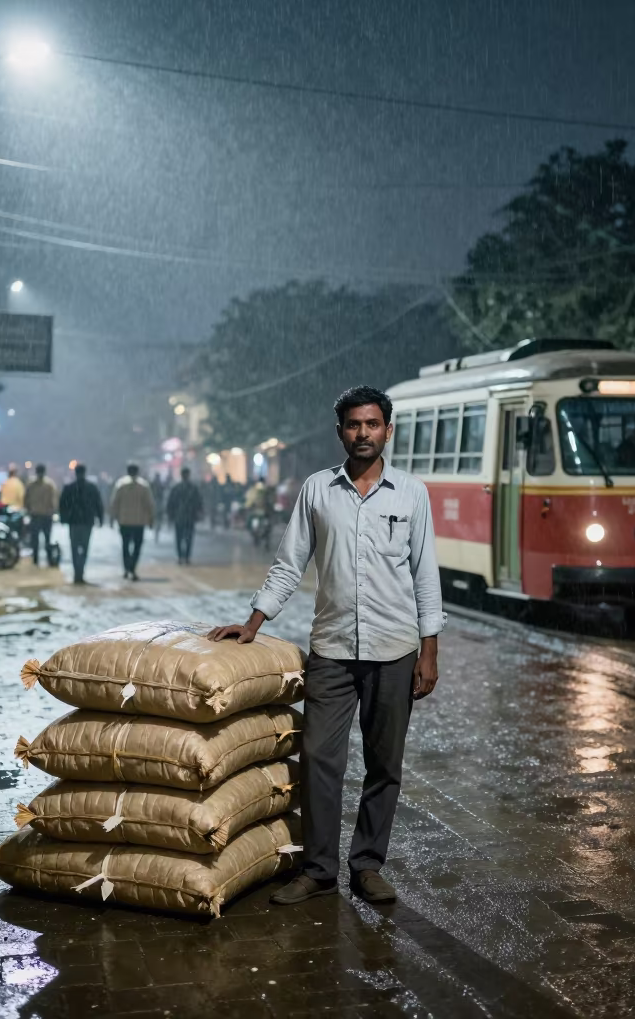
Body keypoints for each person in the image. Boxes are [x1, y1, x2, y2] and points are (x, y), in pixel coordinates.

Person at [208, 385, 445, 907]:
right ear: (339, 431)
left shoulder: (411, 494)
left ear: (388, 429)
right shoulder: (318, 490)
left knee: (385, 765)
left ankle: (367, 865)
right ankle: (317, 869)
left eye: (373, 424)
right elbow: (289, 563)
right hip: (333, 650)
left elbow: (424, 572)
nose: (363, 433)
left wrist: (429, 648)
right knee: (318, 759)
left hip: (395, 649)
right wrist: (253, 622)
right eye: (354, 425)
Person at [59, 464, 104, 584]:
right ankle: (81, 570)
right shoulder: (92, 488)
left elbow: (63, 505)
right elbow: (98, 504)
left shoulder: (69, 488)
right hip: (86, 521)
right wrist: (100, 518)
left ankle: (77, 572)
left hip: (74, 522)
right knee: (84, 547)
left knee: (74, 547)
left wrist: (63, 519)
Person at [109, 462, 156, 580]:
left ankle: (126, 568)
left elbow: (115, 503)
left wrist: (112, 517)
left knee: (125, 546)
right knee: (137, 546)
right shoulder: (144, 486)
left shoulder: (121, 485)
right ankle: (132, 567)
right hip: (139, 522)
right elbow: (149, 504)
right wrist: (151, 519)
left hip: (124, 521)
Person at [24, 464, 60, 566]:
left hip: (35, 515)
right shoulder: (50, 485)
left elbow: (26, 499)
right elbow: (54, 501)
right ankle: (48, 559)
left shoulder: (31, 484)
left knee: (35, 540)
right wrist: (54, 511)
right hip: (46, 516)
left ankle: (36, 560)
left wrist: (28, 510)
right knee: (46, 539)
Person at [166, 467, 203, 564]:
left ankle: (180, 556)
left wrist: (170, 515)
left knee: (179, 538)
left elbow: (170, 503)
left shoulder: (176, 488)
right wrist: (198, 513)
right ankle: (186, 556)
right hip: (190, 517)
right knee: (188, 538)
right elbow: (199, 503)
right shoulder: (193, 488)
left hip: (179, 517)